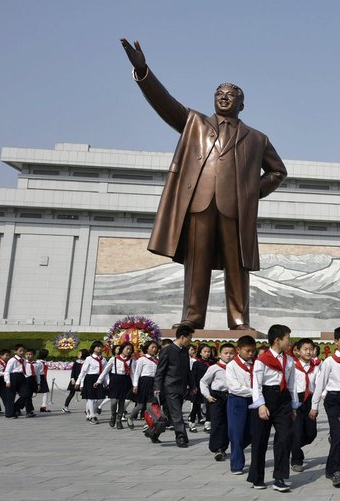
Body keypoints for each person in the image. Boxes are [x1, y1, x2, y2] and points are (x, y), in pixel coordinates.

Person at [120, 39, 287, 330]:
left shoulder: (257, 138)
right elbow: (165, 103)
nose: (224, 98)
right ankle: (192, 316)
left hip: (235, 209)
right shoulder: (194, 123)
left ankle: (238, 319)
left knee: (238, 266)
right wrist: (144, 72)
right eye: (219, 94)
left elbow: (278, 171)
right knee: (196, 265)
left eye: (230, 95)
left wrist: (250, 193)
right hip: (199, 203)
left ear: (241, 104)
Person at [248, 324, 298, 493]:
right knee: (260, 440)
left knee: (284, 437)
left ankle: (280, 477)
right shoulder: (262, 360)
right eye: (287, 339)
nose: (289, 342)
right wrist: (261, 404)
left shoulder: (289, 360)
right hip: (266, 398)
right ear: (277, 340)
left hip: (283, 399)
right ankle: (257, 477)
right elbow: (256, 384)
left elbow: (292, 384)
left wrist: (293, 405)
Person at [311, 327, 340, 487]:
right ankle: (337, 471)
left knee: (339, 435)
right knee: (337, 435)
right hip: (333, 399)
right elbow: (320, 384)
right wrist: (314, 405)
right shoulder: (329, 362)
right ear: (336, 342)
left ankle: (330, 468)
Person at [150, 325, 194, 446]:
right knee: (177, 413)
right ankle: (180, 436)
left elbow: (187, 370)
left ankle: (153, 433)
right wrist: (157, 387)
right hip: (170, 386)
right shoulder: (167, 350)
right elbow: (160, 370)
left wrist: (192, 385)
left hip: (182, 387)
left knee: (169, 414)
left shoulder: (184, 350)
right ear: (182, 337)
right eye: (190, 337)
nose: (191, 340)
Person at [225, 335, 256, 475]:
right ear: (238, 349)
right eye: (247, 351)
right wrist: (254, 391)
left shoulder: (256, 364)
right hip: (237, 400)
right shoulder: (231, 365)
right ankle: (236, 463)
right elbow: (234, 386)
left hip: (253, 401)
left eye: (252, 351)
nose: (250, 354)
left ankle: (237, 450)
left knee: (251, 432)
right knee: (236, 432)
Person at [201, 342, 235, 461]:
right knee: (217, 422)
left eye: (231, 353)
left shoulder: (235, 367)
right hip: (216, 397)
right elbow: (203, 382)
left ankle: (224, 447)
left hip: (231, 396)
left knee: (227, 423)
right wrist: (207, 395)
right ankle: (217, 448)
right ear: (220, 354)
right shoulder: (214, 368)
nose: (229, 356)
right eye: (226, 353)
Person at [290, 338, 320, 472]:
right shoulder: (293, 366)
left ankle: (292, 446)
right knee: (297, 432)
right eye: (305, 349)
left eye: (311, 349)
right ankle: (297, 460)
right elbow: (291, 386)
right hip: (297, 399)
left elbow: (319, 384)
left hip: (310, 400)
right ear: (298, 351)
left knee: (311, 433)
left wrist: (316, 404)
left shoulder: (316, 366)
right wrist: (292, 405)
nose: (308, 352)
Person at [98, 343, 134, 429]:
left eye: (130, 350)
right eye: (127, 349)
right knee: (113, 401)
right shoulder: (113, 359)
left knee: (122, 401)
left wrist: (134, 385)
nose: (128, 351)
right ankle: (113, 415)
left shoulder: (132, 361)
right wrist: (99, 381)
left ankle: (119, 420)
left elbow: (133, 374)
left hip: (125, 381)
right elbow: (105, 371)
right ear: (122, 349)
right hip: (115, 380)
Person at [129, 342, 159, 428]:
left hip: (154, 383)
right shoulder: (142, 359)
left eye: (156, 348)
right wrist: (135, 385)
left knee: (150, 404)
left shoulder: (157, 360)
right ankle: (130, 418)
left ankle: (149, 422)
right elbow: (137, 373)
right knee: (140, 405)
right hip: (144, 382)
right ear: (147, 349)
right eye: (152, 347)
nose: (154, 349)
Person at [3, 344, 36, 419]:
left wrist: (26, 377)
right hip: (13, 377)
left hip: (22, 377)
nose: (22, 352)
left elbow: (24, 370)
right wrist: (7, 381)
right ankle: (9, 414)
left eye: (23, 351)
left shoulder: (23, 360)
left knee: (27, 394)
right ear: (15, 351)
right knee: (11, 396)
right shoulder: (12, 360)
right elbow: (7, 371)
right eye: (20, 351)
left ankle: (15, 407)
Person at [78, 341, 105, 424]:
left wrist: (107, 382)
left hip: (99, 378)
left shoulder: (103, 359)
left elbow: (105, 371)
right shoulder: (89, 359)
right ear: (93, 348)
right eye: (97, 347)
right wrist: (79, 382)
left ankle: (89, 411)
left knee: (101, 397)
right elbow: (83, 371)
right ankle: (92, 416)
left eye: (100, 346)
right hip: (90, 378)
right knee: (91, 398)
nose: (99, 348)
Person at [189, 344, 214, 432]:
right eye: (205, 352)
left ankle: (208, 424)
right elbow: (193, 376)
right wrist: (193, 387)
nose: (207, 354)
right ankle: (192, 423)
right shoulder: (196, 363)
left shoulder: (212, 363)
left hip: (209, 387)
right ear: (200, 352)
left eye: (209, 352)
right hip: (198, 387)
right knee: (196, 406)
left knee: (209, 405)